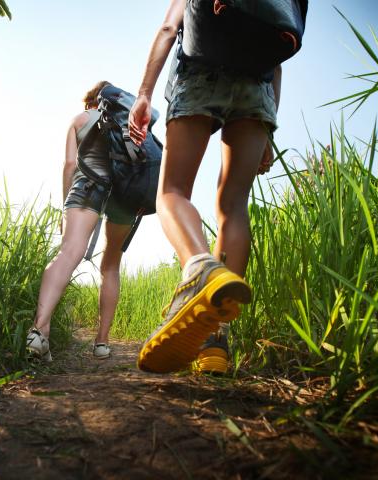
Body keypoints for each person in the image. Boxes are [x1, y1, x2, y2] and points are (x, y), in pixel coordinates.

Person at [128, 0, 281, 373]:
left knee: (171, 192)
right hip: (258, 86)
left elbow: (169, 29)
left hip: (200, 72)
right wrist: (270, 128)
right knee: (234, 206)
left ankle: (200, 268)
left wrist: (144, 92)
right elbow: (277, 56)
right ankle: (216, 342)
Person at [26, 81, 135, 362]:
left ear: (90, 101)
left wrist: (66, 205)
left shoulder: (80, 119)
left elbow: (70, 165)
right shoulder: (129, 120)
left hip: (87, 186)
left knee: (69, 252)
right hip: (125, 195)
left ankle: (39, 331)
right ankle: (101, 343)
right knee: (110, 266)